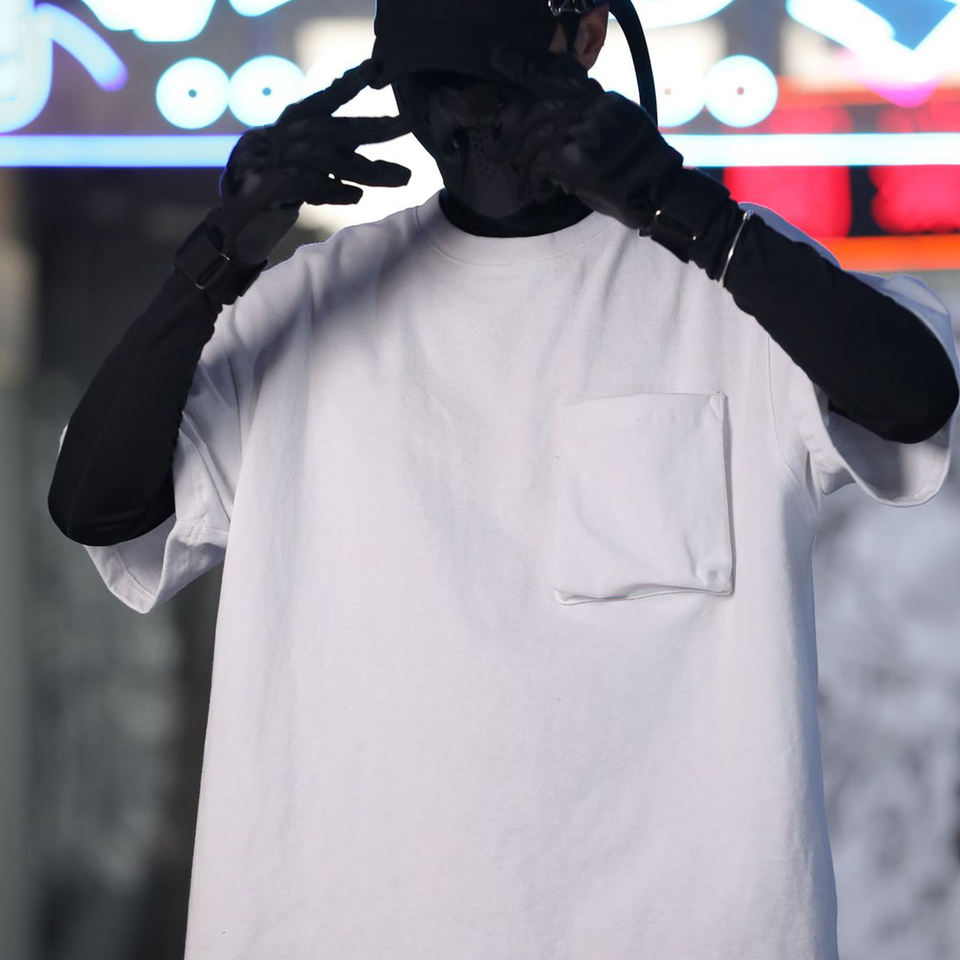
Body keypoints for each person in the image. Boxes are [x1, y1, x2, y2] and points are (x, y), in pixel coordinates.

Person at [48, 1, 959, 958]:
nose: (468, 118)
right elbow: (95, 504)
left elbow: (912, 398)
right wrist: (217, 256)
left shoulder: (728, 286)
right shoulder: (302, 305)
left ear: (589, 38)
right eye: (437, 87)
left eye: (494, 77)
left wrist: (680, 206)